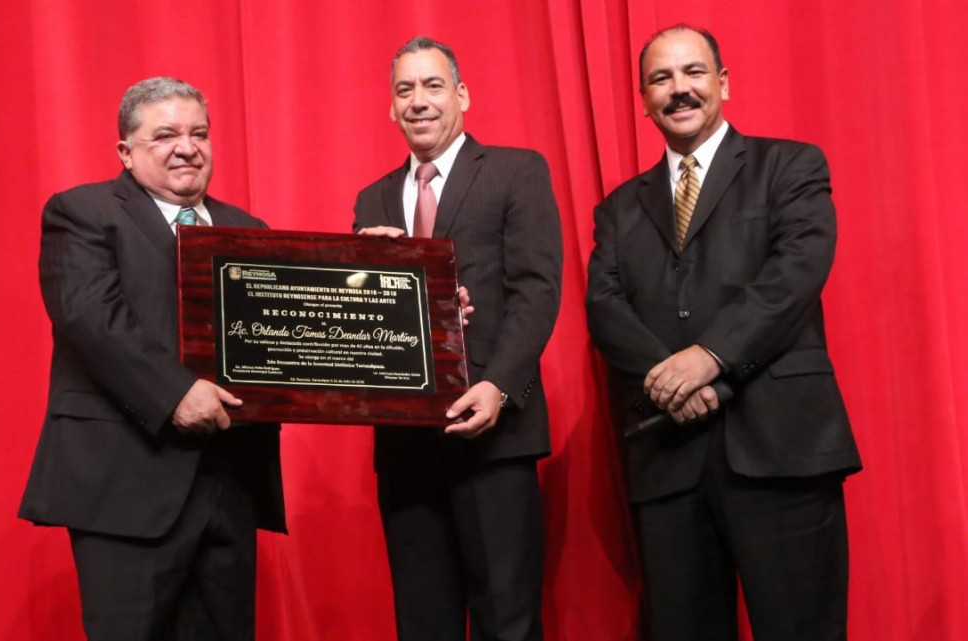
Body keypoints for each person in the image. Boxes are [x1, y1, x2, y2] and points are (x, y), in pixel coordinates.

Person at [586, 25, 862, 641]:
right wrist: (673, 378)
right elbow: (604, 307)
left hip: (781, 450)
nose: (679, 90)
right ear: (643, 97)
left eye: (692, 73)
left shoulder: (789, 164)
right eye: (661, 79)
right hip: (668, 458)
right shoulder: (619, 208)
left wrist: (709, 358)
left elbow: (795, 274)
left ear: (723, 83)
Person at [18, 77, 285, 641]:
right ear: (126, 151)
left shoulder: (249, 230)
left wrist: (392, 273)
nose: (186, 147)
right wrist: (176, 394)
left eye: (199, 133)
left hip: (230, 485)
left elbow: (293, 331)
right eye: (164, 135)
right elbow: (91, 318)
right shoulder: (82, 212)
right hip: (125, 484)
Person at [354, 36, 563, 641]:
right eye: (404, 90)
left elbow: (537, 290)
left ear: (462, 95)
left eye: (432, 85)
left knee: (508, 621)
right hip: (406, 446)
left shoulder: (516, 170)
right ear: (391, 109)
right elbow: (365, 324)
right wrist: (359, 270)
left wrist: (498, 384)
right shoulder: (372, 198)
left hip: (495, 436)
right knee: (423, 624)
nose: (418, 101)